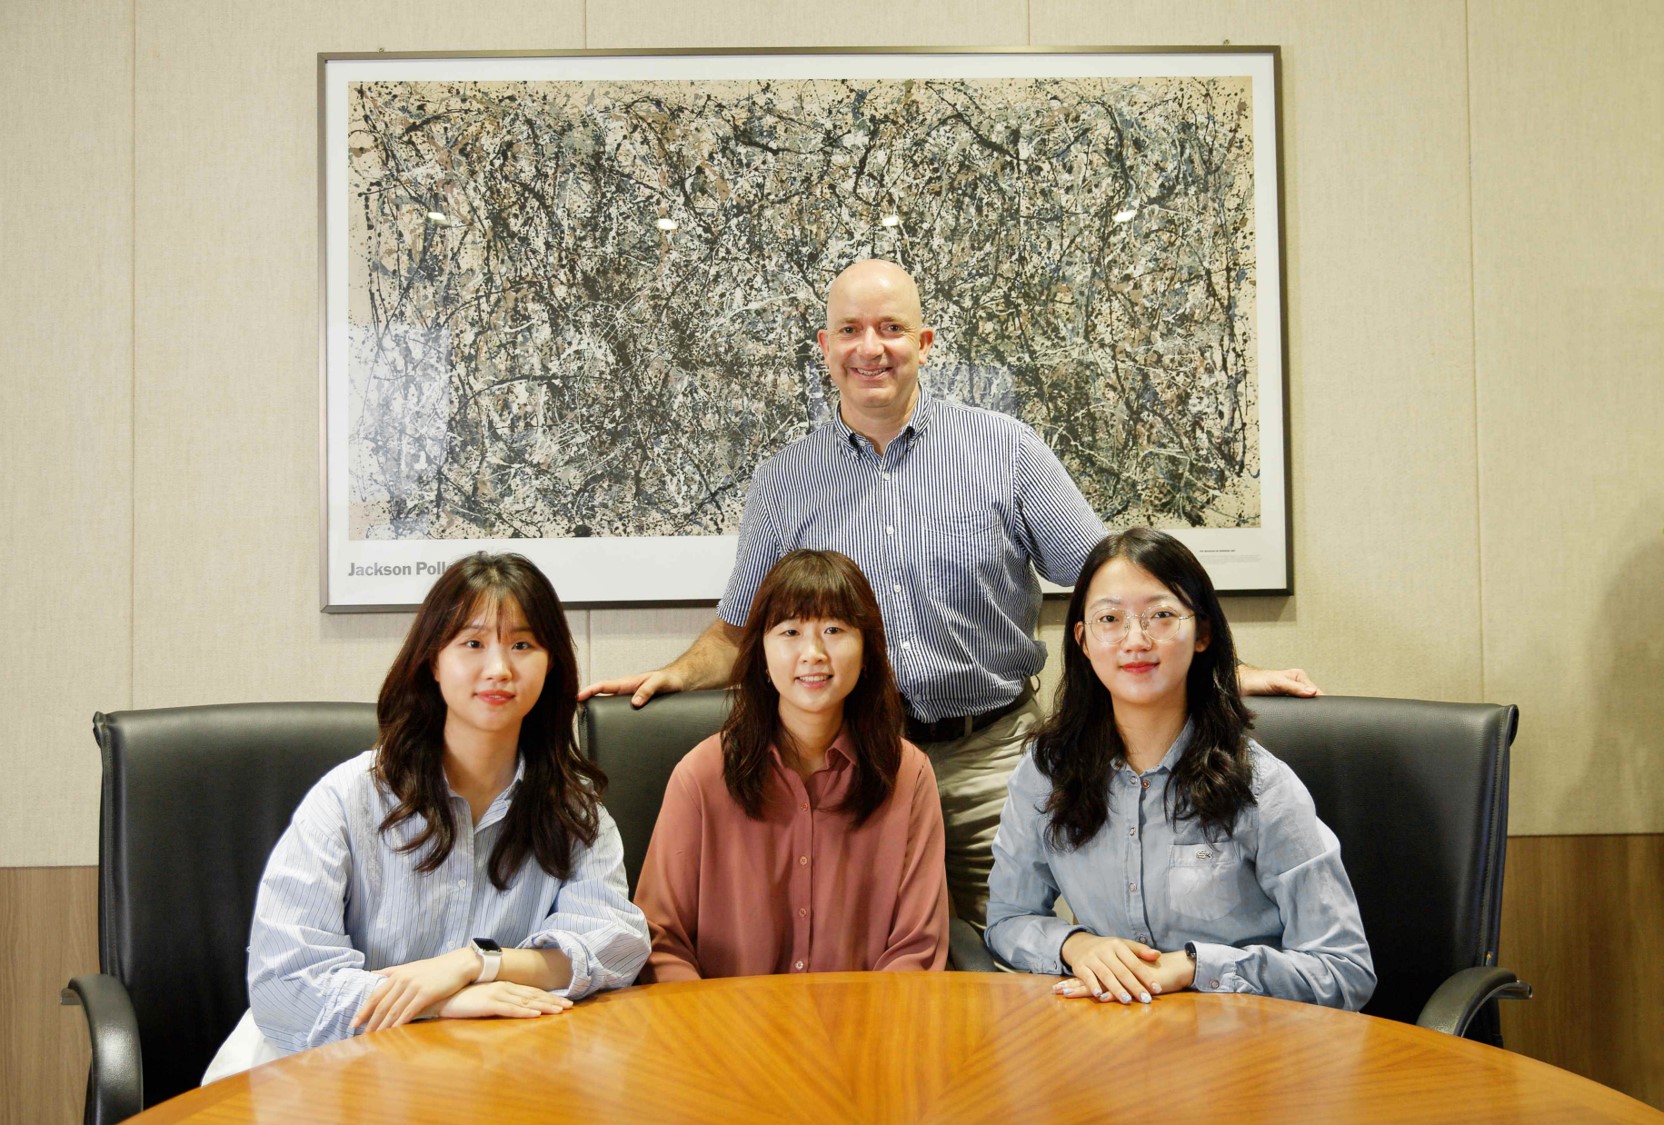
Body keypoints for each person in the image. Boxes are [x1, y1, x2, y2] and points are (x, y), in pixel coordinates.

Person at [580, 258, 1320, 929]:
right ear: (825, 347)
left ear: (924, 342)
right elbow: (741, 629)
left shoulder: (1007, 450)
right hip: (856, 763)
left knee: (1008, 952)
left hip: (994, 758)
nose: (871, 347)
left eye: (891, 328)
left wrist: (1215, 665)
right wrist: (675, 671)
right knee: (869, 951)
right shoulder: (784, 480)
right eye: (850, 330)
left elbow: (1114, 583)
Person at [204, 553, 649, 1080]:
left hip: (490, 1078)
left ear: (551, 665)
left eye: (523, 644)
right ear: (433, 662)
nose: (499, 669)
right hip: (328, 1073)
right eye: (473, 643)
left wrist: (472, 964)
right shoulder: (350, 798)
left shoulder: (573, 809)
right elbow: (287, 986)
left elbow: (616, 945)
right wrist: (442, 1002)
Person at [984, 529, 1373, 1010]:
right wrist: (1076, 946)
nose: (1135, 640)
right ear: (1083, 640)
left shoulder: (1263, 787)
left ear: (1203, 632)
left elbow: (1344, 970)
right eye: (1110, 618)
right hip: (1110, 1048)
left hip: (1245, 1052)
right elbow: (1007, 919)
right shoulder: (1046, 774)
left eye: (1162, 615)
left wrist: (1192, 966)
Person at [634, 549, 948, 979]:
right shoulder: (702, 775)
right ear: (760, 653)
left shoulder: (907, 774)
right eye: (791, 631)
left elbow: (917, 948)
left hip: (866, 1032)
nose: (814, 652)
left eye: (834, 629)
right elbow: (660, 942)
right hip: (724, 1034)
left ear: (867, 650)